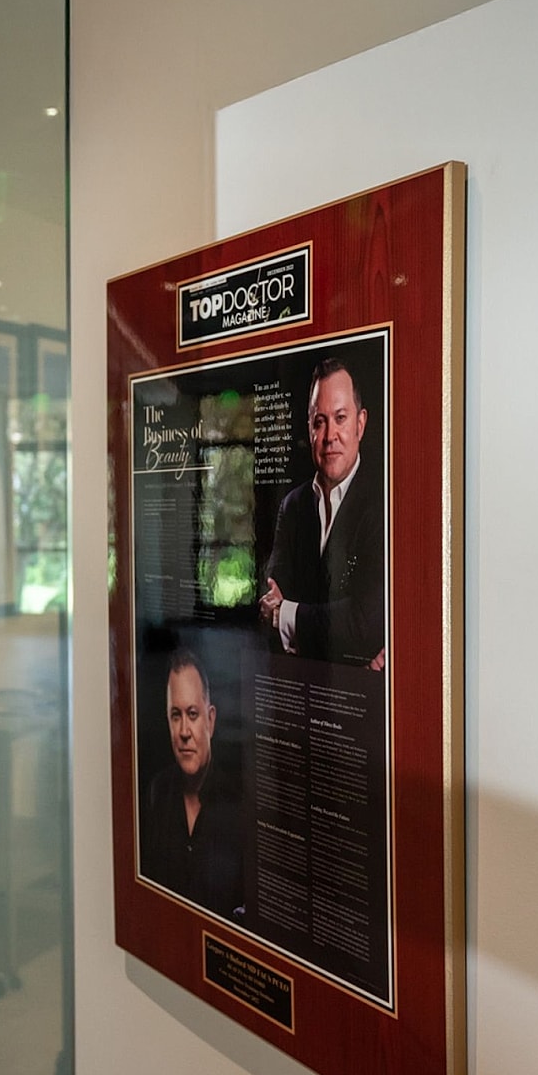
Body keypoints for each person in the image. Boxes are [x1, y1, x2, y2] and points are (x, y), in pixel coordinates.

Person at [259, 358, 384, 667]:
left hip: (357, 695)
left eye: (341, 418)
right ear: (309, 429)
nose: (330, 436)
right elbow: (267, 607)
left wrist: (288, 614)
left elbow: (365, 625)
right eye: (320, 421)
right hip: (300, 685)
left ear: (360, 423)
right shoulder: (292, 506)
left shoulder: (383, 503)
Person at [141, 649, 243, 919]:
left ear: (210, 720)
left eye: (193, 714)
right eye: (176, 715)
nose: (184, 731)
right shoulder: (157, 793)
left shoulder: (239, 803)